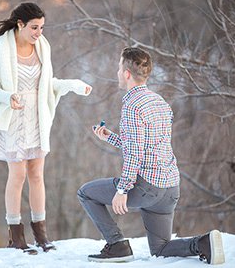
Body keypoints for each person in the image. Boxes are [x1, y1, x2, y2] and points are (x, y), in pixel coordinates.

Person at [77, 47, 225, 265]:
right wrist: (110, 138)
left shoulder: (132, 106)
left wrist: (122, 190)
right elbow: (147, 146)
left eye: (119, 68)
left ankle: (117, 245)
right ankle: (202, 243)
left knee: (86, 193)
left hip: (147, 187)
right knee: (161, 249)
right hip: (170, 188)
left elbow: (136, 154)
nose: (118, 72)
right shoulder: (160, 102)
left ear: (127, 73)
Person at [0, 2, 92, 254]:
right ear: (20, 24)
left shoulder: (43, 46)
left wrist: (73, 85)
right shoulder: (1, 48)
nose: (38, 32)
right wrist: (7, 97)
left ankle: (41, 234)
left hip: (37, 119)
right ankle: (16, 235)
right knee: (18, 174)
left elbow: (47, 85)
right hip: (13, 118)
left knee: (37, 175)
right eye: (34, 27)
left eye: (42, 27)